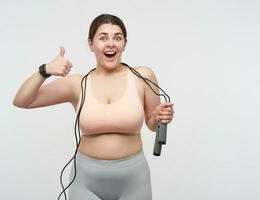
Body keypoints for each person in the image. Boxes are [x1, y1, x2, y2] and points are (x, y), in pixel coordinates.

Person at [13, 14, 174, 200]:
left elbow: (152, 124)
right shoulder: (76, 84)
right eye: (103, 37)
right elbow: (22, 101)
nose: (111, 43)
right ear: (91, 44)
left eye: (117, 37)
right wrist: (45, 71)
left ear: (125, 44)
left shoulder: (143, 76)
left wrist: (160, 116)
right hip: (85, 180)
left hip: (134, 179)